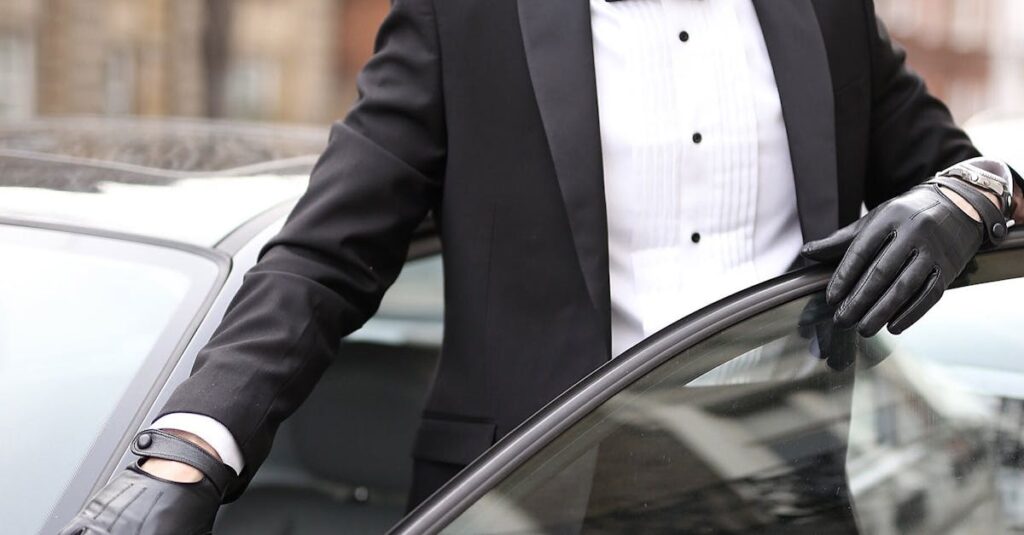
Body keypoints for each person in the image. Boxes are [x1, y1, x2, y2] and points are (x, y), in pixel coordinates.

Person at [61, 0, 1024, 533]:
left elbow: (965, 174)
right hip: (526, 500)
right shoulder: (461, 17)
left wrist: (961, 201)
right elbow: (322, 255)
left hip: (784, 498)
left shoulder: (824, 13)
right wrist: (191, 448)